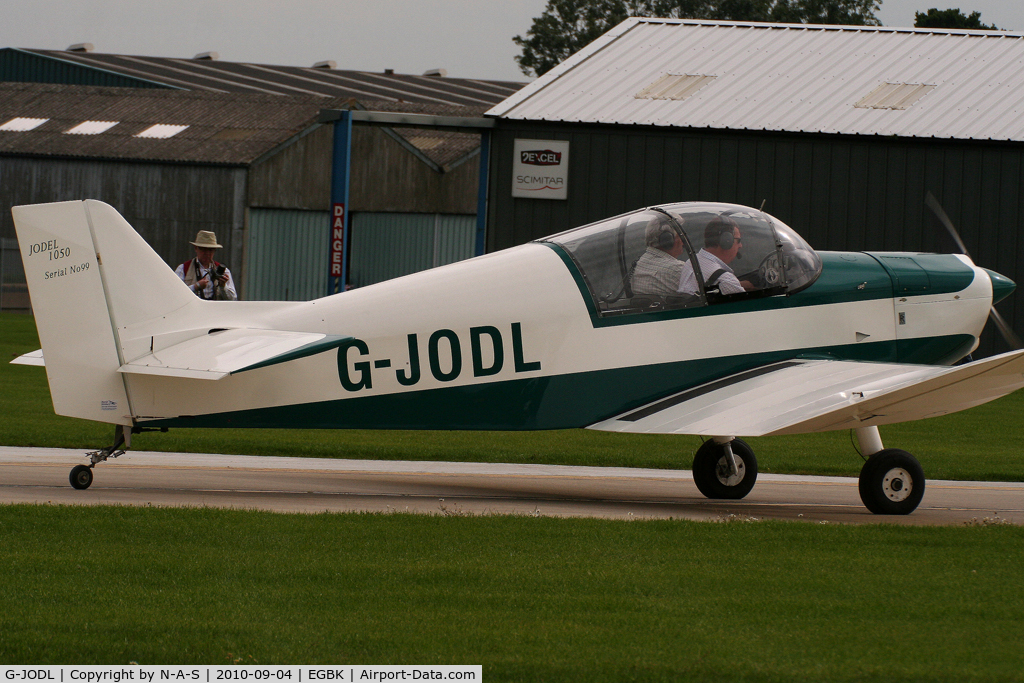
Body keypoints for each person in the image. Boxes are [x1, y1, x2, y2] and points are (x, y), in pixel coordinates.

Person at [679, 216, 749, 296]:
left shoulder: (691, 262)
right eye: (738, 240)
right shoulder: (725, 280)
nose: (740, 245)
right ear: (726, 241)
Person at [630, 216, 688, 296]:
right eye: (680, 236)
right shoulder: (678, 269)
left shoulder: (639, 264)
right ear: (667, 240)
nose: (683, 240)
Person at [175, 230, 238, 300]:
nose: (207, 253)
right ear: (196, 248)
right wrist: (196, 286)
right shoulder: (183, 268)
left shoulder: (224, 271)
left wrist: (223, 286)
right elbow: (174, 294)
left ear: (214, 251)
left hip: (215, 310)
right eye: (203, 249)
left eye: (210, 250)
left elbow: (232, 299)